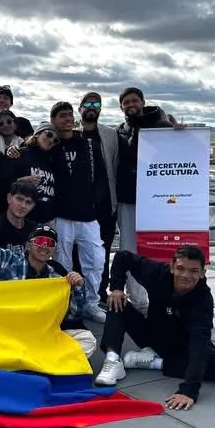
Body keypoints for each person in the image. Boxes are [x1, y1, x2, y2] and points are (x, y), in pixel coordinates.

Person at [0, 191, 97, 357]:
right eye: (39, 241)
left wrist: (79, 288)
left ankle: (31, 360)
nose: (44, 246)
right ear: (28, 245)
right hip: (8, 335)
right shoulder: (10, 264)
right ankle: (39, 360)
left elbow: (73, 314)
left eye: (49, 243)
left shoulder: (57, 279)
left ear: (53, 250)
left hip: (41, 336)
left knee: (88, 340)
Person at [95, 246, 215, 410]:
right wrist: (117, 287)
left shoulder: (203, 300)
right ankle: (112, 359)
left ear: (202, 273)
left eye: (193, 271)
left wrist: (189, 390)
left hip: (182, 346)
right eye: (180, 268)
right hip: (152, 335)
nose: (186, 275)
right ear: (172, 267)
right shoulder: (157, 273)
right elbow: (123, 256)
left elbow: (199, 342)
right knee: (115, 302)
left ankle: (155, 363)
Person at [114, 87, 174, 307]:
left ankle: (161, 294)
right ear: (121, 108)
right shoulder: (120, 131)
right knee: (128, 248)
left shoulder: (163, 126)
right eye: (126, 103)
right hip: (128, 198)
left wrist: (181, 132)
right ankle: (137, 298)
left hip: (155, 199)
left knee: (157, 248)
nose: (131, 105)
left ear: (142, 102)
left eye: (134, 101)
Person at [51, 101, 107, 323]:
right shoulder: (51, 146)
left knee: (95, 259)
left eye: (69, 115)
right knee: (62, 263)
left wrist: (94, 202)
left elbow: (101, 178)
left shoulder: (88, 145)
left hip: (87, 214)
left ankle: (91, 304)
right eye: (62, 116)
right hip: (62, 214)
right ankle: (68, 304)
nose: (67, 119)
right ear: (54, 120)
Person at [78, 92, 120, 304]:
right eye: (87, 103)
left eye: (96, 103)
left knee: (101, 253)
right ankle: (78, 294)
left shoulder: (111, 134)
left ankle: (99, 292)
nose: (92, 107)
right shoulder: (70, 131)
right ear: (80, 108)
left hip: (105, 206)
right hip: (79, 207)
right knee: (78, 254)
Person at [3, 122, 59, 224]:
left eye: (55, 140)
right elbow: (1, 183)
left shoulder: (52, 161)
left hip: (48, 221)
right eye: (49, 134)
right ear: (37, 134)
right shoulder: (19, 154)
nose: (51, 140)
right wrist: (21, 181)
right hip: (23, 221)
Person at [0, 180, 38, 257]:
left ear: (33, 206)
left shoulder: (34, 229)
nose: (23, 206)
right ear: (9, 198)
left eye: (28, 202)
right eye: (19, 199)